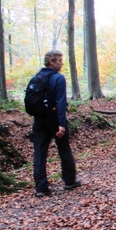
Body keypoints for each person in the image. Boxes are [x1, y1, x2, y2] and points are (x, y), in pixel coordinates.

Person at [32, 50, 80, 197]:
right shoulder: (58, 78)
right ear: (51, 61)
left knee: (39, 153)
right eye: (59, 60)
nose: (61, 63)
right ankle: (69, 180)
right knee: (64, 149)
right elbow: (60, 102)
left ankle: (41, 187)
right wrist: (61, 124)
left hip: (39, 121)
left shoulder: (36, 77)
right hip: (54, 120)